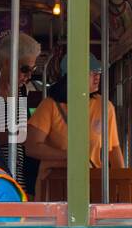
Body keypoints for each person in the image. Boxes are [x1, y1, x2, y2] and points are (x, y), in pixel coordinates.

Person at [26, 54, 124, 200]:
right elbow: (32, 146)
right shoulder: (50, 106)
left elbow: (113, 149)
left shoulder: (104, 107)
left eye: (98, 72)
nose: (97, 76)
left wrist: (121, 187)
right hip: (55, 183)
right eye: (91, 72)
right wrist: (70, 156)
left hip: (92, 184)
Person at [0, 31, 41, 197]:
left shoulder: (22, 91)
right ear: (7, 63)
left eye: (32, 70)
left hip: (19, 178)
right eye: (25, 69)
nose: (29, 76)